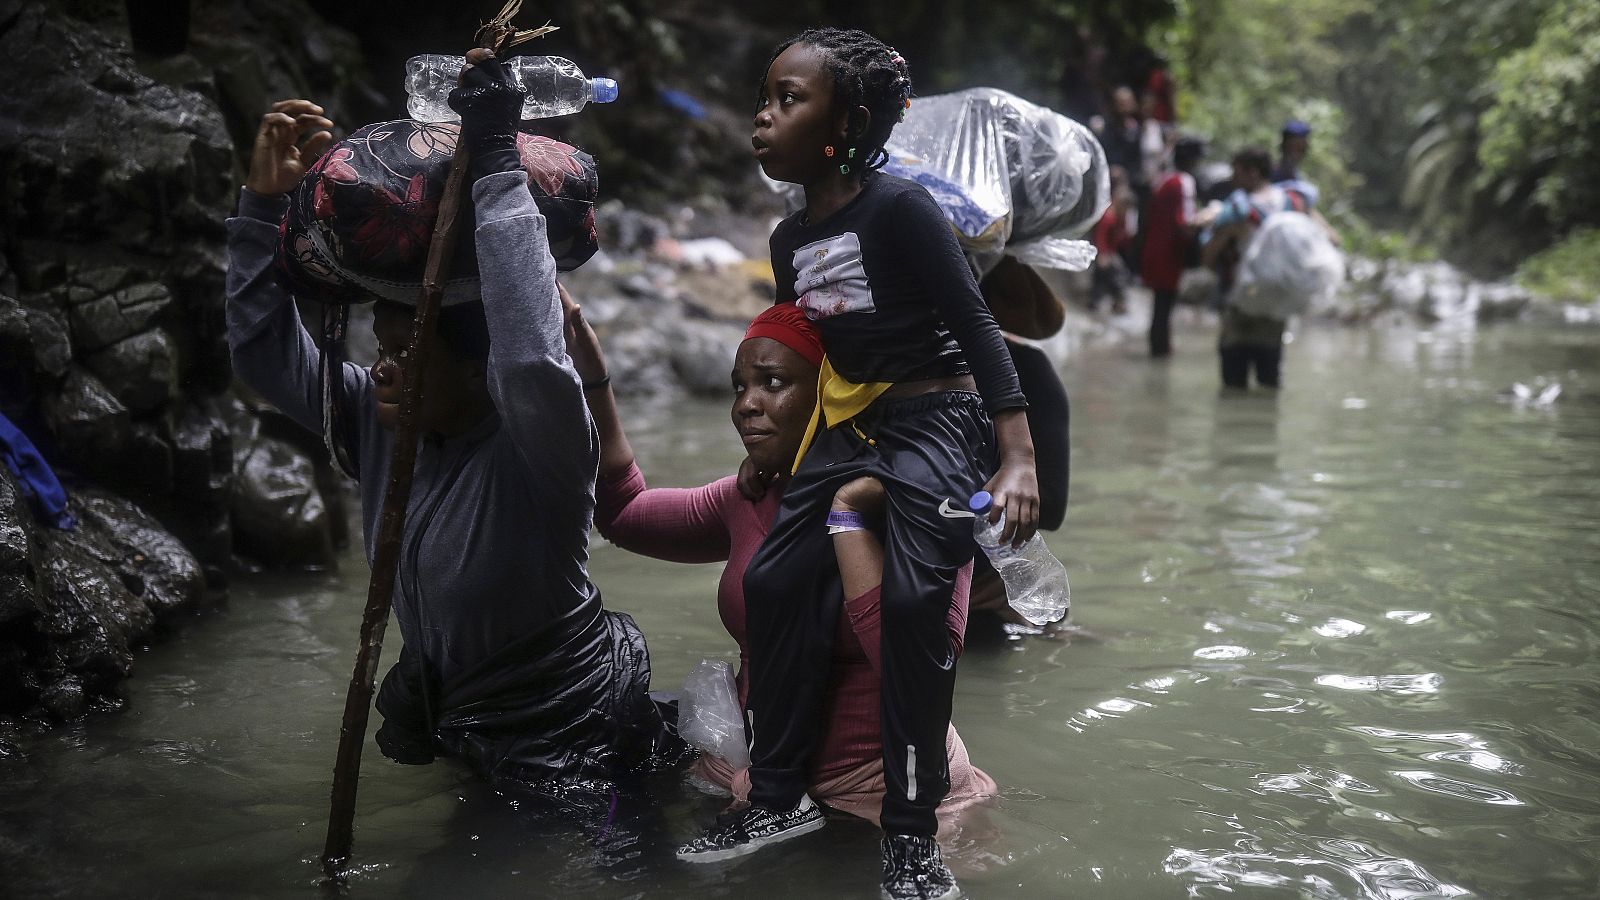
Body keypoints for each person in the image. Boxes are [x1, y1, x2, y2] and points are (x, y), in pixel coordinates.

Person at [225, 57, 667, 810]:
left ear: (477, 371)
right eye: (381, 345)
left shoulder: (540, 446)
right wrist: (262, 209)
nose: (382, 367)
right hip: (468, 718)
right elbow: (264, 355)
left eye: (407, 351)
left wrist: (498, 164)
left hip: (572, 728)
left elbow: (531, 352)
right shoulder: (380, 424)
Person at [677, 28, 1040, 900]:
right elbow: (799, 356)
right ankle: (778, 796)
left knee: (915, 602)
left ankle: (911, 838)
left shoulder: (902, 210)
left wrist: (1017, 455)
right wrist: (771, 451)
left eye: (788, 99)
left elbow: (978, 325)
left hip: (940, 416)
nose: (763, 116)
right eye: (765, 97)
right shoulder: (787, 237)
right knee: (772, 583)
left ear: (849, 122)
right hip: (855, 424)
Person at [562, 297, 996, 831]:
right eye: (739, 387)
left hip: (881, 792)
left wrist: (849, 516)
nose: (746, 405)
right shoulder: (747, 498)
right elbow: (624, 515)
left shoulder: (915, 502)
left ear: (834, 396)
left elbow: (915, 668)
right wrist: (594, 380)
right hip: (752, 778)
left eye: (772, 383)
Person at [1202, 146, 1307, 389]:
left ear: (1253, 172)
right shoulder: (1291, 202)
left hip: (1241, 302)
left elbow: (1208, 257)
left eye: (1237, 172)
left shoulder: (1240, 209)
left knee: (1234, 382)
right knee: (1269, 380)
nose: (1233, 178)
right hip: (1277, 303)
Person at [1139, 135, 1205, 357]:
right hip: (1169, 255)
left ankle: (1158, 351)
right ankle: (1161, 353)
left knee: (1160, 307)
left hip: (1153, 250)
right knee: (1164, 307)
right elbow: (1185, 222)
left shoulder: (1163, 179)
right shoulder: (1184, 182)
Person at [1089, 175, 1136, 315]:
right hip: (1102, 252)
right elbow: (1100, 237)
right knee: (1108, 275)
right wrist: (1103, 254)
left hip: (1112, 252)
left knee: (1118, 274)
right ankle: (1096, 303)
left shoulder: (1121, 218)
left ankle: (1117, 303)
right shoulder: (1109, 217)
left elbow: (1123, 240)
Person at [1271, 119, 1311, 184]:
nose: (1295, 155)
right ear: (1282, 147)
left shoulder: (1300, 180)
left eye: (1300, 149)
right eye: (1291, 148)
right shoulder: (1267, 176)